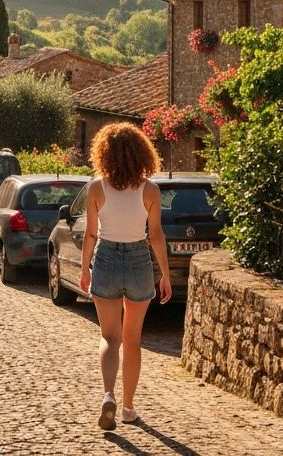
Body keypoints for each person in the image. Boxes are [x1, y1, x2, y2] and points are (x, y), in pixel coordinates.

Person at [80, 123, 171, 431]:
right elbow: (155, 235)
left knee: (109, 337)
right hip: (138, 260)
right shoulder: (150, 190)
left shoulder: (97, 188)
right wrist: (165, 275)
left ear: (104, 154)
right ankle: (129, 408)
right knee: (132, 340)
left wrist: (84, 269)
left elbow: (91, 234)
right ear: (141, 153)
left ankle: (108, 395)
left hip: (105, 257)